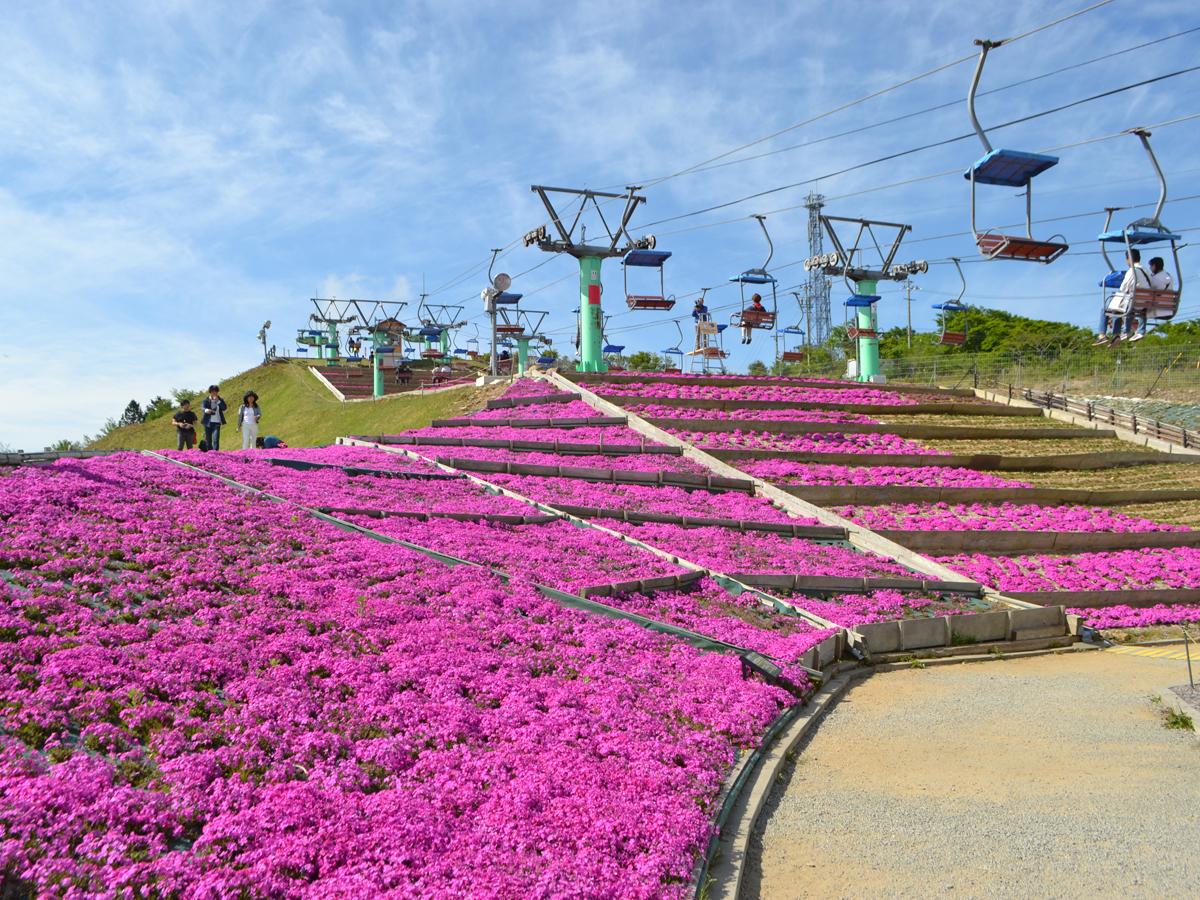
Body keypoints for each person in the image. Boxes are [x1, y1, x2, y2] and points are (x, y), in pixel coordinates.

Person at [1094, 249, 1149, 345]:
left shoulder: (1132, 271)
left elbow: (1123, 288)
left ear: (1129, 259)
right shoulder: (1146, 270)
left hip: (1133, 303)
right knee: (1117, 309)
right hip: (1145, 302)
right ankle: (1116, 335)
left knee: (1106, 309)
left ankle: (1102, 335)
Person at [201, 385, 228, 450]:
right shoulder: (206, 400)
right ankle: (210, 454)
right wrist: (207, 410)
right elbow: (202, 407)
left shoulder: (220, 399)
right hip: (208, 423)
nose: (214, 393)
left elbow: (224, 408)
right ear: (210, 392)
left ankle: (216, 454)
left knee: (216, 439)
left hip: (217, 423)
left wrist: (218, 401)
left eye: (216, 391)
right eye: (213, 391)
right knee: (208, 441)